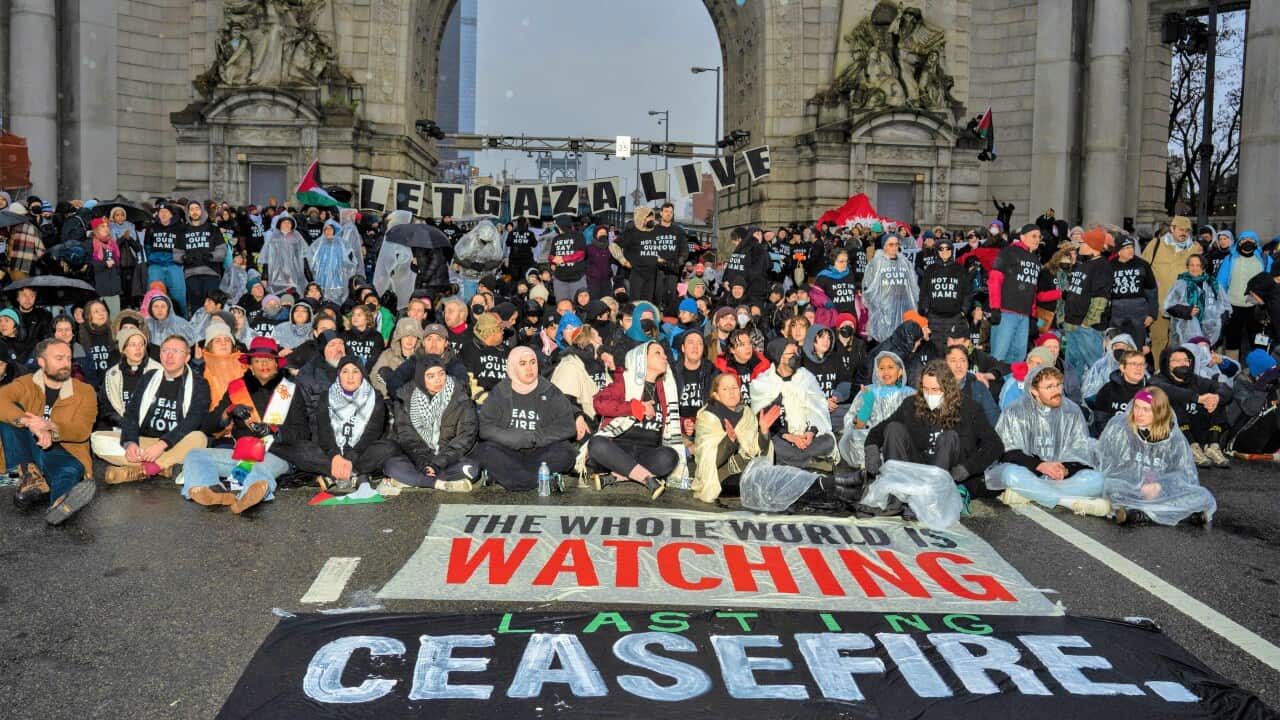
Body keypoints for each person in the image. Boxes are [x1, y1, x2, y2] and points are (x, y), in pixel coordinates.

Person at [182, 338, 297, 514]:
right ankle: (210, 489)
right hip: (243, 455)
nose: (263, 364)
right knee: (195, 454)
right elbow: (208, 426)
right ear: (249, 365)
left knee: (260, 469)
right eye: (257, 360)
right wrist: (229, 410)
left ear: (276, 363)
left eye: (268, 359)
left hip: (277, 453)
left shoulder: (292, 389)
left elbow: (303, 431)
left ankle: (250, 494)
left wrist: (274, 429)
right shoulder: (236, 388)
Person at [864, 359, 1004, 495]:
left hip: (948, 472)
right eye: (925, 389)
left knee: (948, 437)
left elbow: (995, 445)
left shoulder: (969, 408)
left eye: (935, 390)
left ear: (947, 389)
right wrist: (872, 449)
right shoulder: (912, 404)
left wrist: (967, 468)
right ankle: (895, 495)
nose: (929, 394)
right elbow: (880, 430)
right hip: (917, 467)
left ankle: (931, 497)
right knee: (894, 428)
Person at [985, 366, 1110, 516]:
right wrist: (1041, 466)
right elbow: (1007, 452)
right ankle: (1068, 502)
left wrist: (1065, 469)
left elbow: (1080, 451)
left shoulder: (1072, 411)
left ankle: (1029, 494)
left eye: (1058, 385)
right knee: (1010, 474)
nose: (1057, 391)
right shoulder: (1015, 411)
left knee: (1096, 480)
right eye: (1049, 387)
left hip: (1061, 477)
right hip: (1029, 471)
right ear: (1034, 391)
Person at [0, 339, 98, 524]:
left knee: (70, 470)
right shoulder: (25, 384)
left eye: (68, 358)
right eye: (59, 358)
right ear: (41, 362)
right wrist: (30, 423)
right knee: (10, 415)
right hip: (31, 446)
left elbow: (82, 430)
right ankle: (31, 474)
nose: (66, 364)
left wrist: (50, 427)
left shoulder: (85, 391)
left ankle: (59, 504)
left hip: (67, 451)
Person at [91, 335, 210, 484]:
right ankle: (166, 467)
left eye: (176, 351)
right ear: (160, 354)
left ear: (187, 357)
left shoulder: (199, 384)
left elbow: (194, 419)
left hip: (175, 442)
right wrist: (130, 443)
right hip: (145, 443)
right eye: (165, 350)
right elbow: (132, 413)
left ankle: (142, 470)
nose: (169, 355)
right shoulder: (149, 377)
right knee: (97, 439)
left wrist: (162, 445)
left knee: (199, 439)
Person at [276, 356, 398, 492]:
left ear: (362, 375)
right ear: (339, 375)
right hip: (331, 452)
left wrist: (350, 457)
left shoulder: (375, 397)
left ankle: (335, 475)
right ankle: (352, 474)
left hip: (360, 451)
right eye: (345, 371)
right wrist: (335, 456)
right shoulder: (326, 396)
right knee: (303, 449)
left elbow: (372, 433)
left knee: (389, 447)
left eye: (355, 371)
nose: (350, 376)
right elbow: (325, 431)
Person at [1098, 387, 1216, 525]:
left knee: (1203, 496)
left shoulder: (1173, 437)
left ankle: (1140, 515)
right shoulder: (1120, 428)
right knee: (1109, 487)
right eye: (1136, 407)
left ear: (1159, 412)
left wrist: (1160, 485)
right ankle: (1184, 517)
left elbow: (1184, 475)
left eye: (1146, 409)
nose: (1139, 413)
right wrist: (1138, 483)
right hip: (1129, 488)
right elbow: (1109, 465)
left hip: (1161, 492)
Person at [585, 341, 687, 498]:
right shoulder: (625, 381)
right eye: (657, 353)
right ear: (641, 359)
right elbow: (599, 403)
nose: (665, 356)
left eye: (664, 353)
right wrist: (635, 408)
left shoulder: (666, 388)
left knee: (670, 457)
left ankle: (617, 476)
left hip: (647, 452)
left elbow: (666, 420)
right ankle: (647, 479)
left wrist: (684, 424)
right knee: (596, 444)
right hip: (617, 450)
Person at [469, 346, 577, 491]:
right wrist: (512, 438)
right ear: (513, 366)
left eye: (533, 362)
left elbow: (567, 426)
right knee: (485, 450)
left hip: (541, 450)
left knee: (565, 452)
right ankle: (540, 479)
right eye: (523, 364)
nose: (529, 368)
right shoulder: (501, 391)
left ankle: (508, 477)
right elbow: (485, 427)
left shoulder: (550, 391)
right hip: (508, 450)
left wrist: (535, 437)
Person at [385, 354, 479, 491]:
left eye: (441, 374)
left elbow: (465, 437)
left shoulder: (460, 397)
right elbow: (408, 438)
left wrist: (436, 464)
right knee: (392, 465)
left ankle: (413, 480)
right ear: (420, 378)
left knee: (471, 468)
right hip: (419, 457)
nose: (438, 380)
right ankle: (439, 484)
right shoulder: (406, 399)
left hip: (448, 458)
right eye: (431, 376)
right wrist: (423, 464)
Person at [749, 338, 837, 470]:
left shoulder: (806, 377)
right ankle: (812, 462)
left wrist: (811, 432)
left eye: (797, 352)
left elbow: (817, 409)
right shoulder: (763, 383)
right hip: (783, 437)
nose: (796, 356)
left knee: (828, 441)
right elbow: (763, 421)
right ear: (780, 357)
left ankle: (793, 463)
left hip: (807, 436)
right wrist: (790, 437)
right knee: (774, 445)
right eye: (791, 354)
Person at [691, 373, 774, 503]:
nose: (731, 392)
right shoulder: (707, 417)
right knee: (764, 482)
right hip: (720, 477)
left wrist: (763, 432)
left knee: (770, 477)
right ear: (715, 395)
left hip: (746, 468)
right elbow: (710, 460)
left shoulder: (746, 413)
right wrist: (729, 440)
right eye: (725, 389)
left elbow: (757, 450)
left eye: (734, 388)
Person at [1152, 345, 1232, 468]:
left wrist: (1216, 398)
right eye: (1177, 360)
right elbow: (1167, 390)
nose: (1182, 363)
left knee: (1216, 401)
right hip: (1174, 434)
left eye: (1185, 360)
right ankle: (1191, 447)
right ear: (1166, 363)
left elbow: (1223, 388)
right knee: (1173, 400)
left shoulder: (1195, 380)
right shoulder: (1157, 380)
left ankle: (1212, 446)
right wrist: (1198, 398)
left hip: (1198, 427)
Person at [1143, 215, 1202, 369]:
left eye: (1187, 230)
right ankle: (1158, 371)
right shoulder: (1155, 245)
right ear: (1172, 229)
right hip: (1159, 304)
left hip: (1182, 307)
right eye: (1181, 229)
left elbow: (1199, 276)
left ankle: (1178, 372)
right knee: (1159, 340)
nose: (1184, 233)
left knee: (1182, 341)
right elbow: (1143, 270)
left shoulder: (1194, 249)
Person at [988, 224, 1052, 364]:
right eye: (1033, 236)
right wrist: (995, 308)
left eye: (1039, 237)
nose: (1037, 239)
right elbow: (994, 280)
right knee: (998, 356)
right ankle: (994, 385)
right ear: (1022, 237)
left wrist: (1033, 317)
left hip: (1024, 316)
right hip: (1006, 312)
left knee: (1018, 358)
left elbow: (1032, 290)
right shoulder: (1008, 252)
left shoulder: (1035, 260)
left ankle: (1012, 385)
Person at [840, 351, 914, 469]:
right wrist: (867, 404)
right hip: (871, 439)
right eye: (881, 368)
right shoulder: (868, 391)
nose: (885, 372)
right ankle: (868, 469)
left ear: (900, 371)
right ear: (876, 371)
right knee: (859, 437)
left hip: (897, 439)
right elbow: (858, 426)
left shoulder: (910, 393)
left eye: (890, 367)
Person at [1217, 231, 1271, 357]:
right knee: (1232, 341)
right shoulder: (1230, 259)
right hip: (1233, 307)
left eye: (1251, 240)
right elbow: (1221, 283)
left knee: (1258, 342)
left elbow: (1271, 284)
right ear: (1238, 242)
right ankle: (1232, 368)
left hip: (1256, 309)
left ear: (1256, 243)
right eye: (1244, 239)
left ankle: (1259, 371)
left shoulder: (1265, 259)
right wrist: (1221, 304)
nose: (1247, 242)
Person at [1163, 254, 1229, 350]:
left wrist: (1219, 324)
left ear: (1203, 267)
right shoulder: (1179, 284)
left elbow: (1225, 306)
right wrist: (1186, 311)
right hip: (1185, 331)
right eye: (1191, 265)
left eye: (1198, 265)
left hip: (1210, 332)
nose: (1195, 268)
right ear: (1187, 267)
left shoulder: (1213, 284)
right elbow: (1168, 306)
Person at [862, 233, 919, 343]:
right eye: (891, 244)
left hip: (903, 306)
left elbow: (913, 286)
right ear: (884, 246)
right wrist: (876, 305)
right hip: (883, 309)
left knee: (901, 339)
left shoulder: (905, 262)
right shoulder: (876, 263)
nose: (894, 247)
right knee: (884, 341)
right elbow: (868, 287)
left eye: (896, 244)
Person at [1107, 235, 1159, 348]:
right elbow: (1104, 293)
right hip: (1116, 313)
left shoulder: (1143, 264)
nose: (1130, 250)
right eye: (1126, 248)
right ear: (1118, 251)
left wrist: (1152, 314)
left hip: (1139, 312)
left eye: (1131, 247)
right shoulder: (1109, 266)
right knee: (1117, 345)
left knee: (1137, 346)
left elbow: (1152, 290)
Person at [918, 239, 972, 342]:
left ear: (952, 251)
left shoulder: (959, 269)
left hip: (955, 317)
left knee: (953, 349)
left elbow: (967, 292)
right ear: (937, 251)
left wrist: (964, 311)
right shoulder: (930, 269)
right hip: (934, 318)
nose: (944, 251)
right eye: (941, 249)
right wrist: (924, 310)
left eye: (948, 249)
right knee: (935, 350)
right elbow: (924, 292)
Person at [180, 199, 225, 313]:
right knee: (196, 307)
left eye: (197, 209)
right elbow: (176, 254)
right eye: (191, 209)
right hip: (191, 273)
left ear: (202, 211)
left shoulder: (213, 229)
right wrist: (184, 258)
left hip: (211, 272)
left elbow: (222, 251)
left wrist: (211, 256)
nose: (194, 212)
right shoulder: (182, 231)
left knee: (213, 305)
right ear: (188, 213)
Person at [146, 203, 186, 316]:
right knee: (154, 295)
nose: (163, 214)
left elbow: (183, 246)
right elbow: (147, 246)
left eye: (166, 212)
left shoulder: (180, 228)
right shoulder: (152, 227)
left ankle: (181, 320)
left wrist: (180, 259)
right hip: (155, 265)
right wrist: (151, 259)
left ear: (171, 214)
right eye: (161, 212)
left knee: (179, 295)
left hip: (174, 265)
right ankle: (151, 320)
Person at [944, 344, 1000, 425]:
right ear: (945, 364)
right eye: (953, 360)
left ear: (968, 364)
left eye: (963, 360)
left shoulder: (978, 386)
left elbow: (994, 418)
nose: (959, 365)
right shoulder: (936, 387)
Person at [713, 328, 771, 405]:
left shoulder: (762, 363)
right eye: (742, 345)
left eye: (749, 343)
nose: (748, 348)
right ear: (732, 350)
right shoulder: (722, 368)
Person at [370, 318, 422, 398]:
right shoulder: (387, 355)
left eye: (413, 336)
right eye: (406, 336)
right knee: (384, 371)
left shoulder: (422, 357)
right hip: (390, 398)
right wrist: (388, 393)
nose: (410, 340)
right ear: (399, 338)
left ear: (418, 339)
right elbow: (374, 376)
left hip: (414, 401)